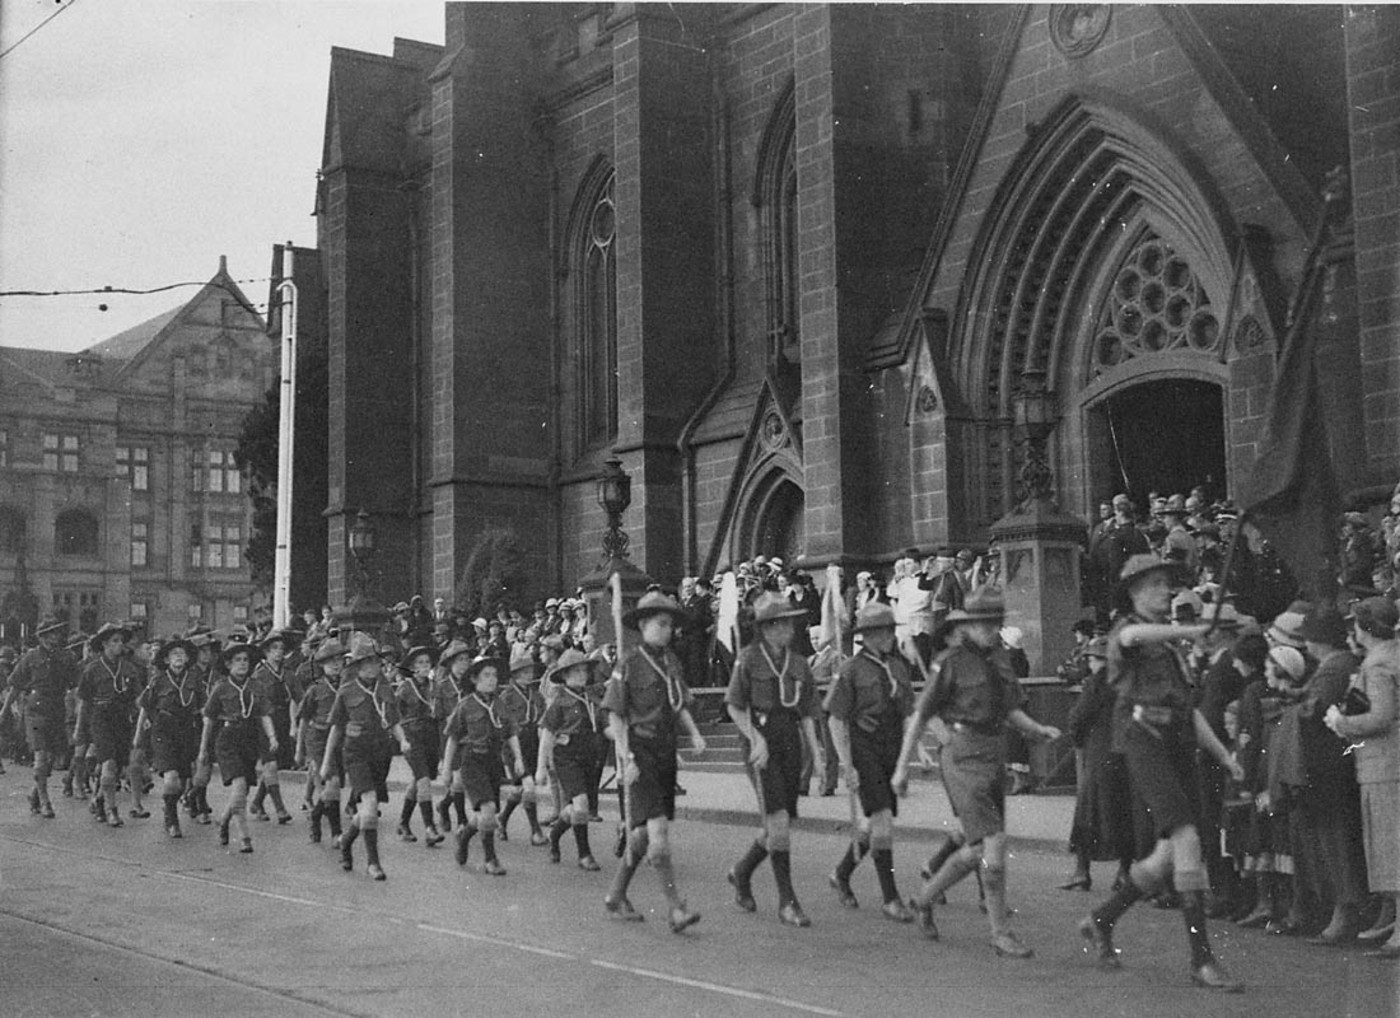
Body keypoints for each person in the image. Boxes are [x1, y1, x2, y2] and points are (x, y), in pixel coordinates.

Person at [1078, 554, 1246, 991]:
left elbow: (1189, 713)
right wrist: (1192, 630)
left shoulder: (1169, 650)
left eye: (1166, 584)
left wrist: (1224, 756)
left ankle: (1102, 918)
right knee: (1188, 839)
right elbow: (1133, 634)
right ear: (1132, 592)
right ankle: (1201, 960)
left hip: (1176, 745)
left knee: (1167, 857)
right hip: (1143, 741)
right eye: (1154, 584)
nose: (1165, 591)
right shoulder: (1126, 633)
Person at [895, 590, 1061, 957]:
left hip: (993, 756)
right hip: (962, 758)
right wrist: (901, 769)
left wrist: (1037, 729)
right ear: (967, 625)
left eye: (995, 621)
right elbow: (921, 715)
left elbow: (1011, 709)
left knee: (975, 851)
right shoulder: (949, 662)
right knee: (995, 845)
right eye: (983, 622)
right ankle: (1000, 932)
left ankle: (923, 900)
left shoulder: (1001, 659)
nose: (990, 629)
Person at [602, 590, 708, 930]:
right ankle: (676, 908)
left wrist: (693, 733)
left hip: (665, 753)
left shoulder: (671, 661)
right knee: (658, 833)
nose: (667, 630)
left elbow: (678, 704)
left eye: (670, 625)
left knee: (642, 836)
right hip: (640, 752)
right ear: (644, 625)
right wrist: (626, 757)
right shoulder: (628, 663)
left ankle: (616, 895)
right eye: (661, 624)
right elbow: (615, 717)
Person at [724, 592, 825, 927]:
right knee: (779, 823)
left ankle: (742, 871)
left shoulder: (798, 663)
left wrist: (818, 754)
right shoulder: (748, 659)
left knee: (777, 825)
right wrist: (755, 739)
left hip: (790, 742)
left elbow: (808, 711)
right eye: (781, 623)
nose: (789, 629)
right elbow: (735, 705)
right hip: (761, 741)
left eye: (790, 622)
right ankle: (787, 901)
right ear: (765, 628)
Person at [826, 602, 917, 923]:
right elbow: (836, 720)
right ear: (866, 636)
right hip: (864, 745)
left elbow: (908, 711)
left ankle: (841, 872)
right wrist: (846, 764)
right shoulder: (851, 669)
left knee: (872, 823)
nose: (889, 636)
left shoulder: (898, 666)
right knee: (882, 822)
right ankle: (891, 898)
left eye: (891, 630)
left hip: (890, 747)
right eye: (881, 631)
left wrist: (914, 750)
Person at [1325, 596, 1400, 959]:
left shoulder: (1380, 664)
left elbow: (1381, 717)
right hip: (1387, 763)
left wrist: (1343, 724)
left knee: (1390, 846)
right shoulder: (1393, 655)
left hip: (1384, 765)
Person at [322, 635, 409, 880]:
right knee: (369, 806)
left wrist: (403, 740)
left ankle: (347, 841)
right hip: (356, 754)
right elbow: (336, 728)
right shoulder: (347, 691)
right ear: (358, 665)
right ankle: (373, 863)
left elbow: (393, 722)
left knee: (368, 812)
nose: (373, 666)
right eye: (367, 662)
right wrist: (327, 762)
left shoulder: (385, 689)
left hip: (381, 755)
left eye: (376, 662)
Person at [441, 653, 527, 876]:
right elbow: (452, 738)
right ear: (474, 679)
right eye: (486, 675)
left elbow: (510, 733)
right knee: (488, 811)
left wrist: (518, 759)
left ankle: (465, 835)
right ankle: (491, 859)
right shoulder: (466, 705)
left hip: (493, 762)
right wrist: (447, 770)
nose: (492, 680)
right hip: (472, 761)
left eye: (495, 675)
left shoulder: (500, 704)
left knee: (484, 815)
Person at [1061, 637, 1134, 893]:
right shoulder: (1127, 680)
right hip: (1125, 755)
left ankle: (1082, 871)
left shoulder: (1096, 683)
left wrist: (1077, 738)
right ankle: (1125, 872)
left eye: (1092, 659)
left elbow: (1078, 717)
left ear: (1101, 661)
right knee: (1123, 813)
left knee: (1087, 814)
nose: (1089, 664)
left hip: (1098, 754)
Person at [199, 640, 277, 854]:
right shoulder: (221, 687)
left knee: (243, 790)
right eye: (237, 660)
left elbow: (264, 714)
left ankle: (223, 821)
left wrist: (272, 737)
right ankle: (245, 837)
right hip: (227, 738)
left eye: (246, 660)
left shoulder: (256, 686)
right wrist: (203, 749)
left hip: (249, 738)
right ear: (228, 664)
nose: (243, 664)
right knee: (240, 786)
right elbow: (209, 718)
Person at [2, 614, 80, 818]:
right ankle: (46, 802)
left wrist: (77, 710)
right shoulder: (30, 657)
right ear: (40, 637)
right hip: (35, 710)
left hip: (57, 709)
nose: (51, 638)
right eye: (46, 634)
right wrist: (4, 711)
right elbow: (15, 686)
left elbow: (75, 686)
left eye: (54, 633)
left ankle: (36, 795)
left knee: (51, 758)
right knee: (40, 757)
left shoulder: (67, 657)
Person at [537, 648, 604, 871]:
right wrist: (541, 768)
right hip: (567, 757)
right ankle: (584, 855)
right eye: (575, 672)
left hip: (589, 756)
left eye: (584, 671)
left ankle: (555, 836)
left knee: (576, 808)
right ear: (564, 676)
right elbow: (547, 735)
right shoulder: (559, 702)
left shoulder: (592, 697)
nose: (581, 675)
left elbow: (605, 723)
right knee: (582, 804)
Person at [75, 622, 143, 827]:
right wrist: (79, 728)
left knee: (119, 765)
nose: (119, 645)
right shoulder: (93, 669)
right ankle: (112, 810)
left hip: (122, 719)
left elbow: (138, 697)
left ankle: (99, 798)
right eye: (114, 641)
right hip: (100, 717)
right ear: (104, 644)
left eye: (121, 641)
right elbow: (84, 701)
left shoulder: (130, 668)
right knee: (109, 763)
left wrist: (145, 713)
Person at [133, 636, 201, 838]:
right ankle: (171, 819)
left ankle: (169, 805)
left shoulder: (195, 679)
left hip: (187, 730)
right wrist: (138, 736)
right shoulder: (159, 680)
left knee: (182, 782)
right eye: (174, 654)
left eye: (182, 653)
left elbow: (204, 707)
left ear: (188, 658)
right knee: (171, 779)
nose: (179, 657)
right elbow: (145, 708)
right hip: (163, 731)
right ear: (166, 660)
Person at [498, 644, 548, 846]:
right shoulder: (506, 696)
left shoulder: (536, 695)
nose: (530, 675)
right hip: (514, 745)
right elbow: (501, 723)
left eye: (531, 671)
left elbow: (543, 717)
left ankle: (502, 819)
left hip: (532, 743)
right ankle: (535, 831)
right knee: (527, 786)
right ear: (515, 674)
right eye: (525, 672)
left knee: (520, 789)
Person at [296, 638, 345, 846]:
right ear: (322, 666)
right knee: (331, 782)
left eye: (339, 660)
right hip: (318, 738)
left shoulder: (348, 686)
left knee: (334, 788)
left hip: (340, 740)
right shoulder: (315, 689)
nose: (335, 665)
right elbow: (304, 720)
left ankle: (316, 815)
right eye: (330, 661)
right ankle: (336, 833)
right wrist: (299, 750)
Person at [394, 644, 445, 847]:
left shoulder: (435, 686)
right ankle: (430, 828)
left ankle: (403, 822)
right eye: (420, 663)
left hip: (430, 737)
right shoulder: (405, 688)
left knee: (419, 780)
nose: (424, 666)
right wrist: (402, 740)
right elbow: (395, 716)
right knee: (423, 780)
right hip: (412, 736)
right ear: (412, 667)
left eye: (427, 662)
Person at [248, 629, 300, 824]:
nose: (278, 652)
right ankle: (280, 809)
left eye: (281, 649)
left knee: (274, 766)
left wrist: (297, 723)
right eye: (274, 649)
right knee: (269, 764)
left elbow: (299, 698)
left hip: (283, 722)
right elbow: (257, 704)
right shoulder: (259, 676)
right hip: (264, 723)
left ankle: (257, 803)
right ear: (266, 652)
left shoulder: (289, 675)